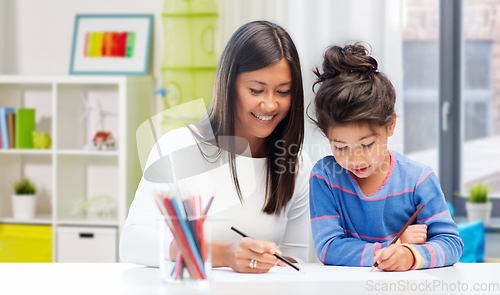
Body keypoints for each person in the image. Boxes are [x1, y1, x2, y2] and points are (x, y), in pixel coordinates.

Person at [120, 20, 311, 273]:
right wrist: (222, 253)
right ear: (229, 85)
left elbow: (295, 261)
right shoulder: (177, 148)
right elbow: (132, 243)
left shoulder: (296, 163)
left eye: (283, 92)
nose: (270, 105)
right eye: (256, 90)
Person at [308, 43, 463, 271]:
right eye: (340, 147)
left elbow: (451, 244)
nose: (356, 159)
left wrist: (410, 255)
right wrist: (393, 245)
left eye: (367, 144)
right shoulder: (325, 178)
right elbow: (329, 248)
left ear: (390, 125)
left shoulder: (418, 179)